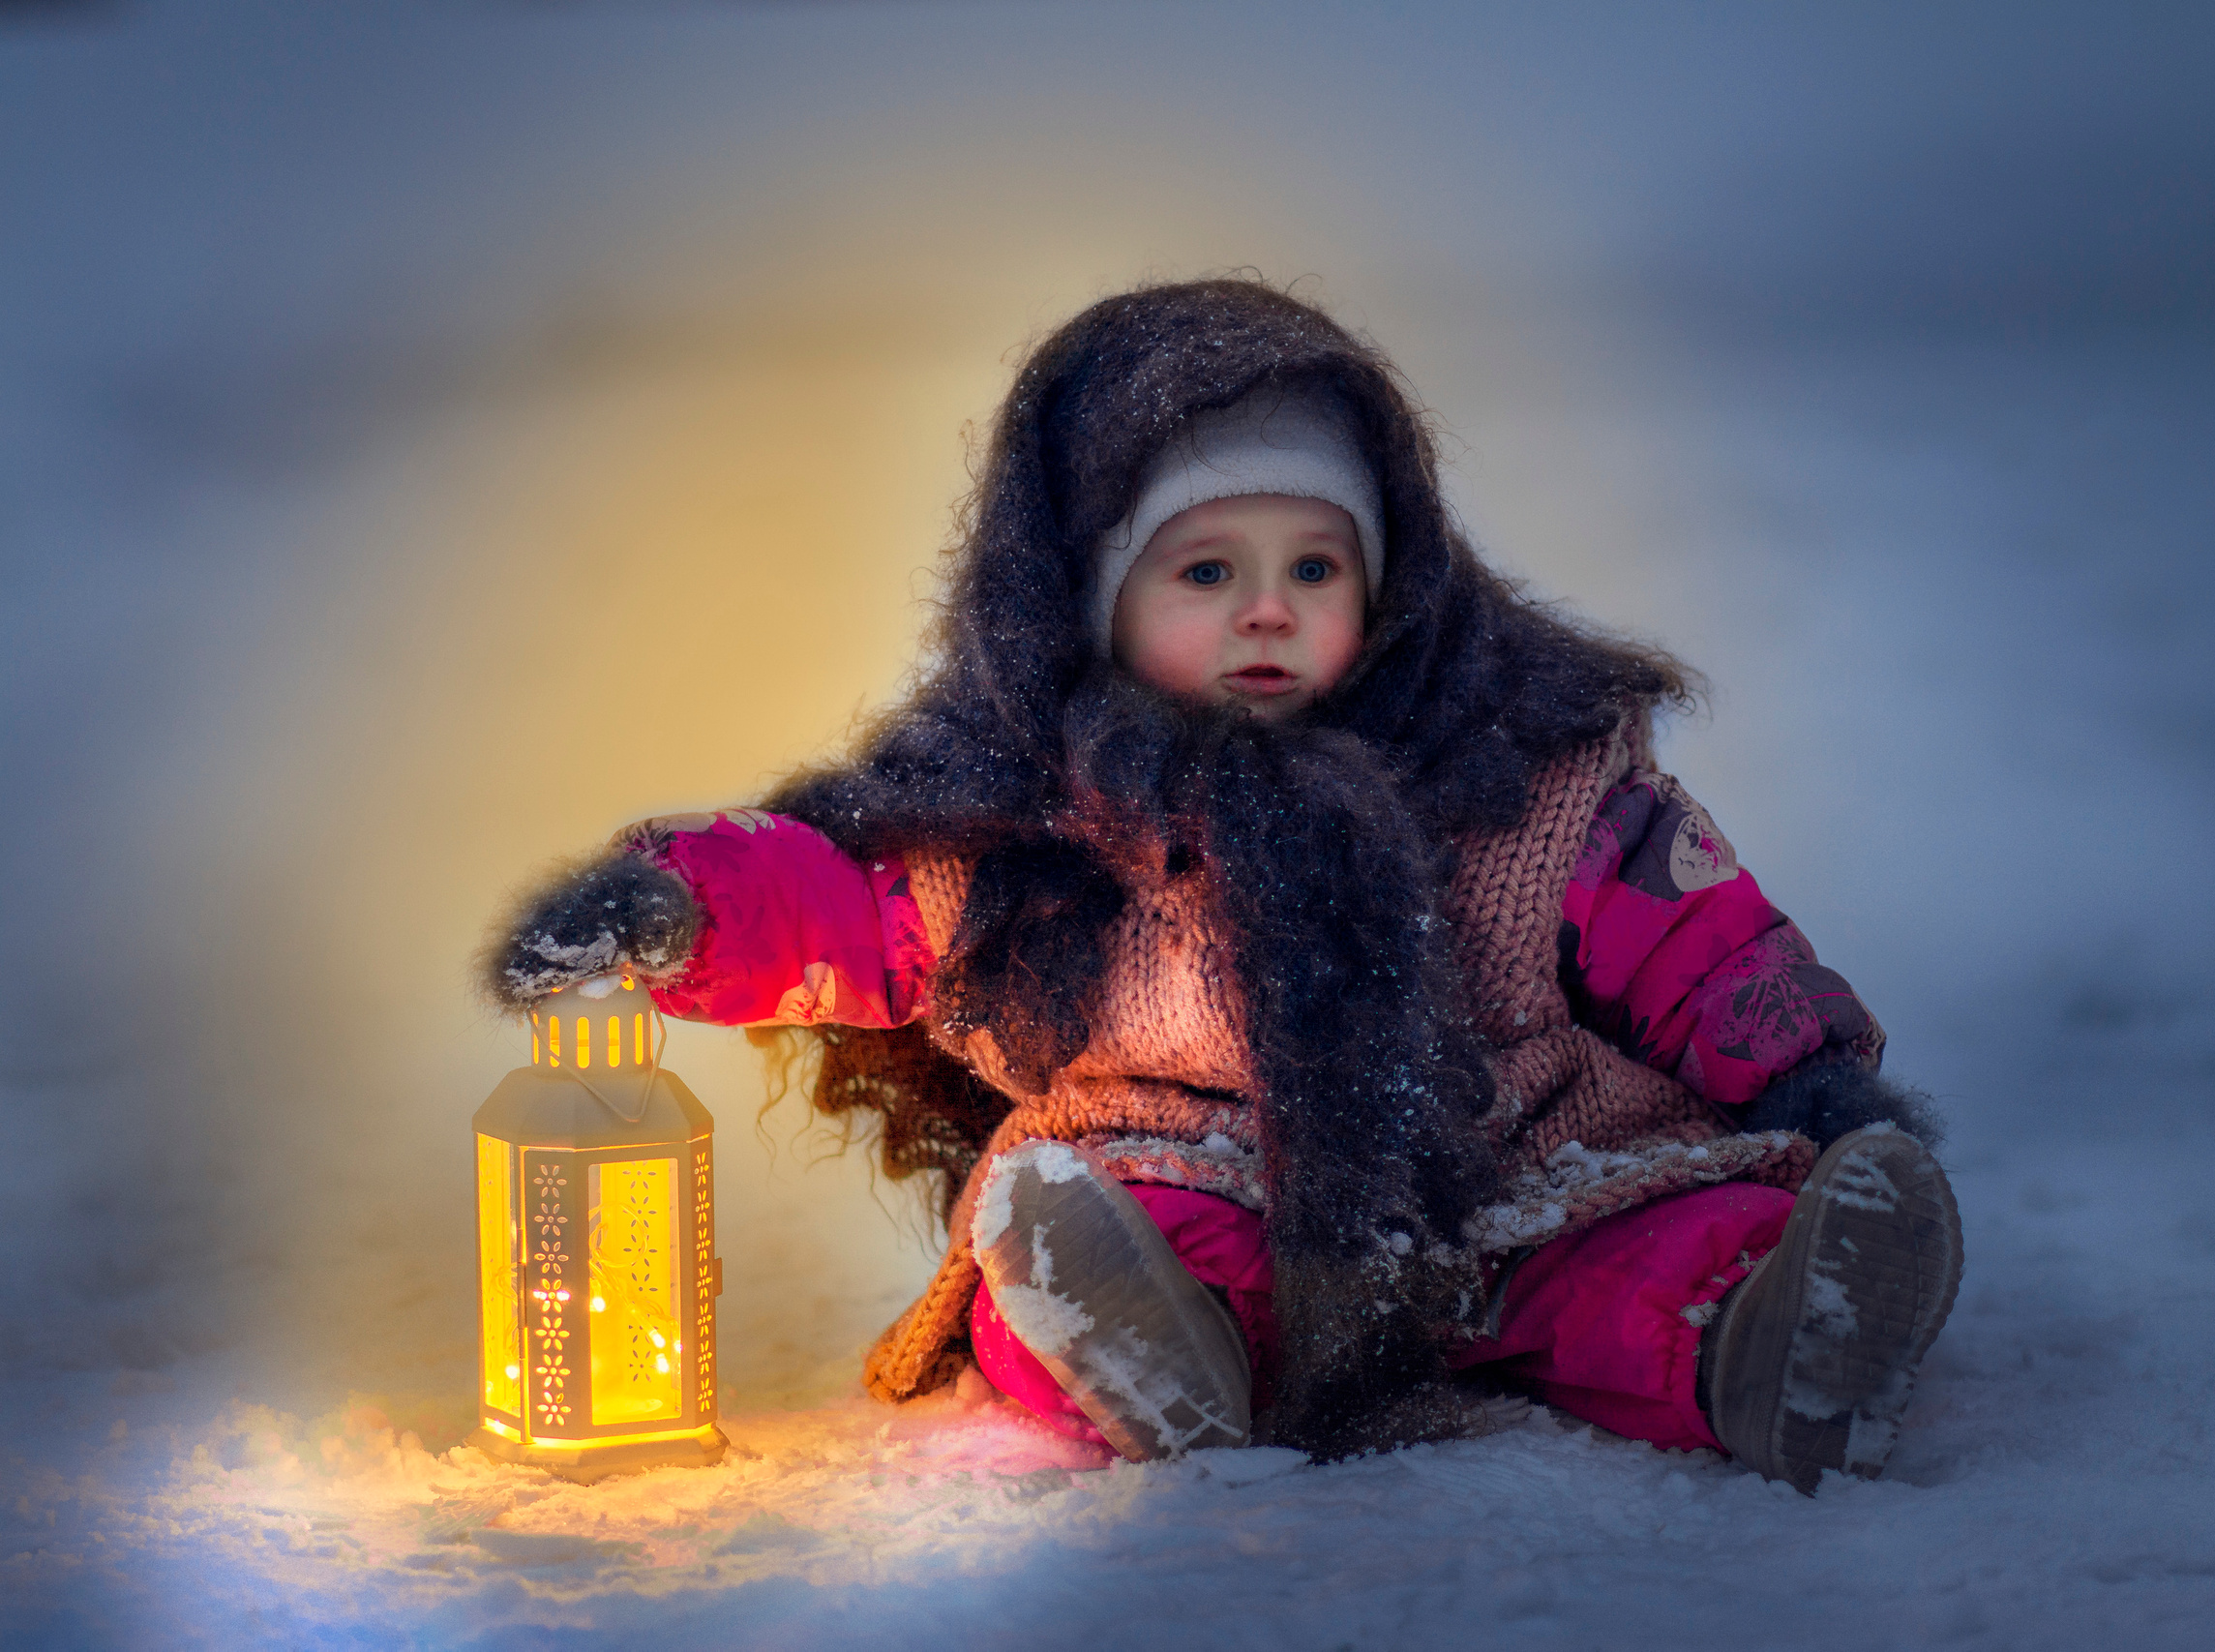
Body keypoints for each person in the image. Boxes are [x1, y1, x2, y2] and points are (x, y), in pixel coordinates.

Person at [481, 279, 1961, 1491]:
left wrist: (1816, 1091)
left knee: (1655, 1253)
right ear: (1090, 600)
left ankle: (1778, 1345)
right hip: (1204, 1184)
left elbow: (1694, 939)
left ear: (1388, 585)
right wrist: (679, 909)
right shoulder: (1035, 823)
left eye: (1315, 566)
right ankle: (1146, 1354)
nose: (1269, 607)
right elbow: (838, 915)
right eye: (1205, 573)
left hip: (1518, 1179)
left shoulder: (1517, 776)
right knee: (1061, 1244)